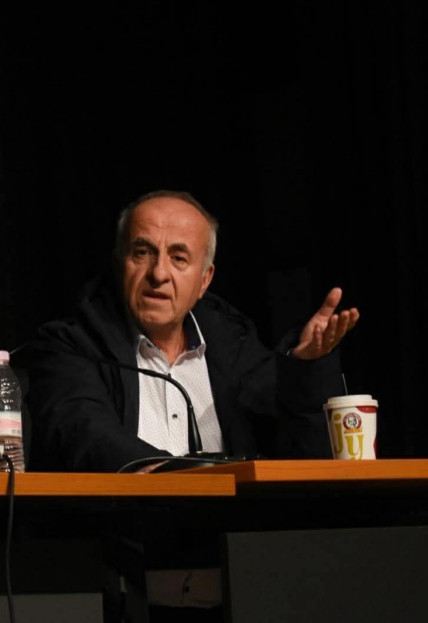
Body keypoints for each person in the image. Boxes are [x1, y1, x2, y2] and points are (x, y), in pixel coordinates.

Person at [28, 190, 359, 473]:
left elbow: (301, 453)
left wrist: (304, 369)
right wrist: (182, 478)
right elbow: (85, 434)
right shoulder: (71, 345)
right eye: (142, 253)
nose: (159, 273)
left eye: (178, 258)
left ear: (204, 280)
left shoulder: (235, 348)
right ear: (119, 264)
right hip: (124, 524)